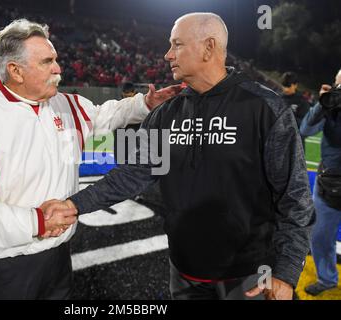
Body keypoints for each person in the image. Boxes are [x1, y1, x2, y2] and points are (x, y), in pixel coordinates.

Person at [44, 12, 315, 300]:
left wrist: (286, 272)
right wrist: (74, 205)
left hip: (250, 277)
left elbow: (295, 197)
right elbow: (132, 174)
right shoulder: (165, 114)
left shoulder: (264, 108)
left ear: (209, 47)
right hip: (184, 273)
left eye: (177, 44)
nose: (167, 54)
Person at [0, 19, 180, 300]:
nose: (58, 68)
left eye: (56, 59)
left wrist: (144, 104)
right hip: (9, 263)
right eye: (47, 62)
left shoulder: (65, 104)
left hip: (60, 254)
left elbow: (104, 115)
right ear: (15, 71)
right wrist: (36, 222)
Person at [301, 70, 341, 296]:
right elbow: (305, 130)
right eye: (339, 86)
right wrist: (322, 104)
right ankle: (327, 278)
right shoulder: (330, 106)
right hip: (329, 183)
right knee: (320, 236)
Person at [280, 71, 310, 152]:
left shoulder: (302, 101)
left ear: (295, 85)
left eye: (288, 86)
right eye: (284, 86)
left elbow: (305, 125)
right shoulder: (277, 98)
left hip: (296, 144)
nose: (285, 89)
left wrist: (287, 118)